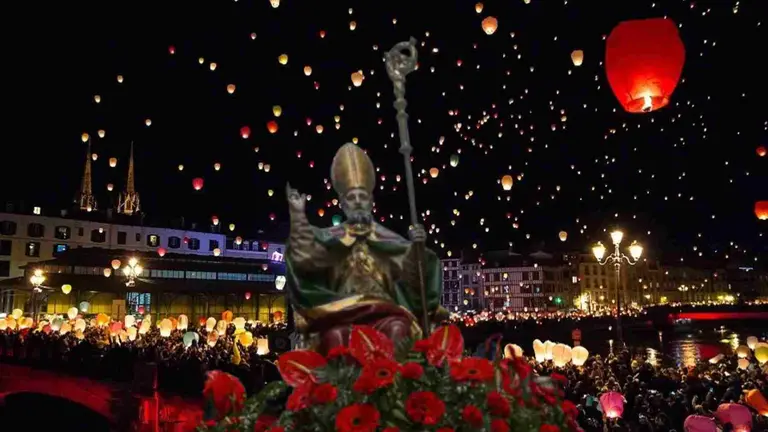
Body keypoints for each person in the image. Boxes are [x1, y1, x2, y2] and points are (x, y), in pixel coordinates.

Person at [284, 142, 444, 353]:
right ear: (342, 203)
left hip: (384, 312)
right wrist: (298, 219)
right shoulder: (328, 239)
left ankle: (395, 385)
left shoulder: (389, 240)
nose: (358, 202)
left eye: (362, 196)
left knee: (398, 329)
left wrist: (417, 247)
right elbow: (305, 259)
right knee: (334, 337)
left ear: (371, 201)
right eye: (352, 197)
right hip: (341, 312)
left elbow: (414, 276)